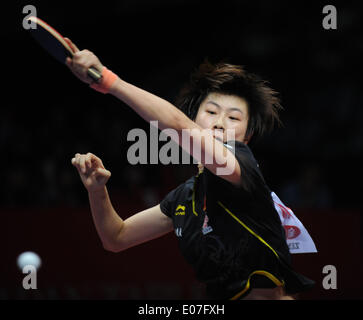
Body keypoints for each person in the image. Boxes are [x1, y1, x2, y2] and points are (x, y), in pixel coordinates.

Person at [66, 38, 315, 300]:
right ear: (196, 118)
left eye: (233, 118)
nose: (219, 123)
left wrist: (106, 80)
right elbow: (116, 238)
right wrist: (96, 190)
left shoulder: (242, 165)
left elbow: (179, 127)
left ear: (246, 137)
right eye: (211, 111)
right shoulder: (184, 198)